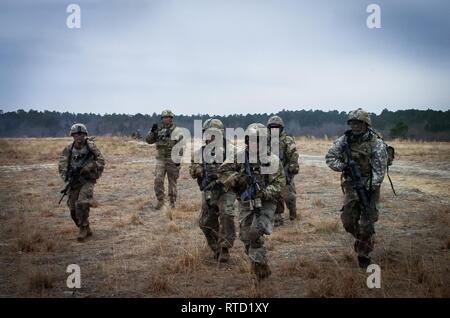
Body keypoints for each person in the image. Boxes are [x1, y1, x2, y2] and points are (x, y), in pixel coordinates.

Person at [218, 123, 285, 280]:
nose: (255, 144)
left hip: (267, 203)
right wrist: (238, 180)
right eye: (252, 140)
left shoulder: (273, 160)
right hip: (246, 201)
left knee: (255, 232)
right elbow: (223, 171)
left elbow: (279, 184)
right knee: (246, 237)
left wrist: (264, 192)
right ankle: (261, 264)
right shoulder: (239, 156)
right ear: (247, 141)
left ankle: (259, 272)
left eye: (258, 140)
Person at [325, 108, 387, 268]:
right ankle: (363, 240)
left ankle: (364, 254)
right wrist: (344, 167)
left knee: (367, 223)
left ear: (366, 124)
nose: (355, 126)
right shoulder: (344, 141)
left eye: (358, 123)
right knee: (347, 221)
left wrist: (368, 187)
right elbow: (330, 157)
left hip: (370, 186)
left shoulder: (376, 143)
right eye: (352, 122)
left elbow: (380, 170)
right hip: (352, 184)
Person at [189, 119, 236, 262]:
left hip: (226, 189)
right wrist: (199, 170)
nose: (211, 137)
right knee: (205, 222)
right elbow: (192, 169)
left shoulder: (231, 150)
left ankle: (225, 249)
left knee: (226, 215)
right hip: (209, 190)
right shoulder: (200, 152)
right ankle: (216, 247)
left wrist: (223, 176)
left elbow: (239, 170)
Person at [58, 123, 105, 242]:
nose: (79, 136)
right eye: (76, 134)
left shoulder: (91, 147)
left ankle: (83, 230)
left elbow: (101, 160)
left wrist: (90, 166)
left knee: (82, 203)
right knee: (73, 210)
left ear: (85, 134)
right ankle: (86, 227)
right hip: (74, 181)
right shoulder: (69, 149)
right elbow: (62, 164)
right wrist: (67, 177)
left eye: (81, 134)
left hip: (88, 180)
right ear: (72, 135)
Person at [146, 109, 183, 209]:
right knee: (158, 180)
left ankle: (172, 203)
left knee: (172, 182)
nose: (167, 119)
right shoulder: (157, 129)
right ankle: (160, 201)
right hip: (161, 160)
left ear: (171, 119)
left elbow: (180, 146)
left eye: (169, 117)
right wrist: (153, 132)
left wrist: (178, 160)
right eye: (165, 117)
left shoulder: (177, 130)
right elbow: (148, 141)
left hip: (172, 160)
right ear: (162, 119)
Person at [267, 115, 299, 226]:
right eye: (272, 127)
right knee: (275, 195)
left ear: (281, 128)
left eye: (277, 127)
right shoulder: (266, 140)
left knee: (289, 196)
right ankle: (278, 217)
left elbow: (293, 155)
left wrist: (291, 171)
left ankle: (292, 212)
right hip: (271, 171)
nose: (274, 130)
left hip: (285, 170)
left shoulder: (287, 140)